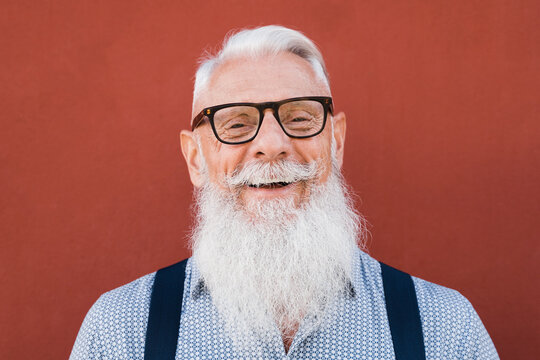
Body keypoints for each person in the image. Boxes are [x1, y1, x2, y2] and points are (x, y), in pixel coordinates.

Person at [70, 25, 499, 359]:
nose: (272, 144)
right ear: (195, 159)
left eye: (299, 118)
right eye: (236, 123)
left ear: (336, 142)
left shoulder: (444, 328)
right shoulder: (120, 331)